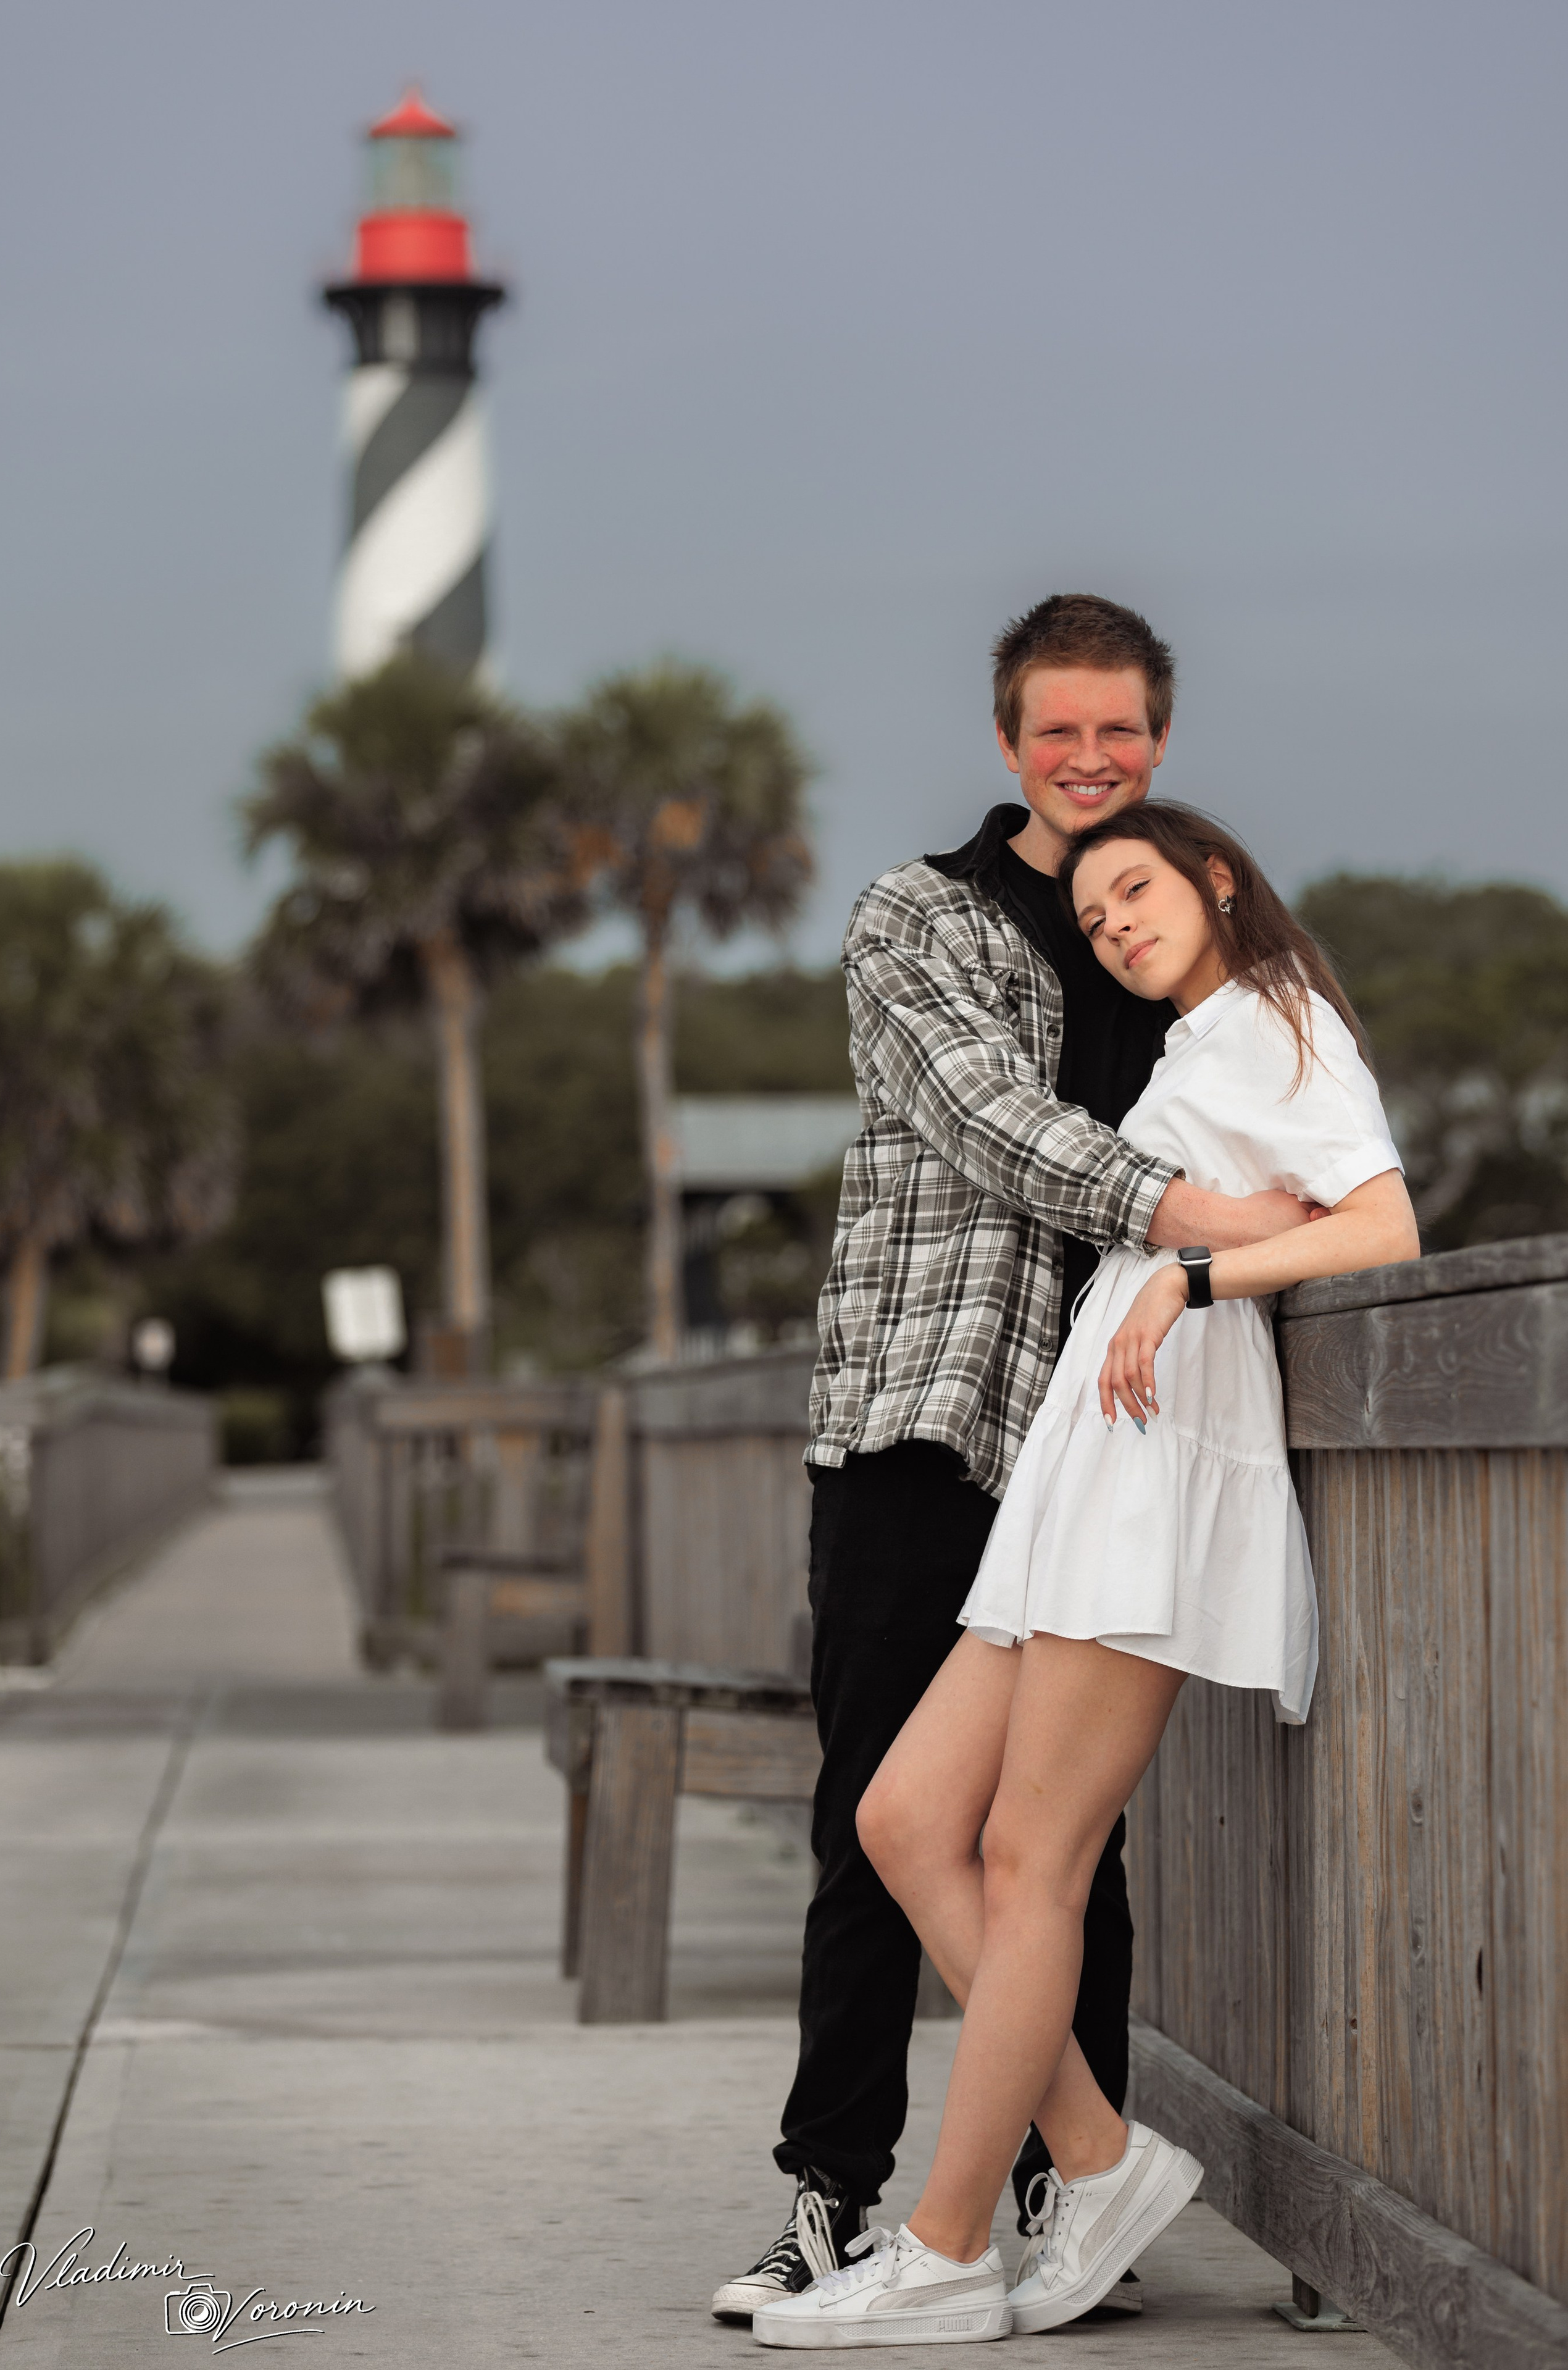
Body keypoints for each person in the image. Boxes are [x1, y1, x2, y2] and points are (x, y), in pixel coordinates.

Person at [712, 595, 1337, 2326]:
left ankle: (1070, 2195)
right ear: (1009, 744)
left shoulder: (1168, 942)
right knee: (878, 1816)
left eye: (1120, 733)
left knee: (1068, 1852)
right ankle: (835, 2193)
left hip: (1105, 1436)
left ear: (1158, 743)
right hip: (929, 1411)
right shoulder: (921, 915)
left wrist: (1251, 1237)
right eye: (1057, 731)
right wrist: (1195, 1214)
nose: (1089, 759)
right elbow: (986, 1118)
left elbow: (1299, 1134)